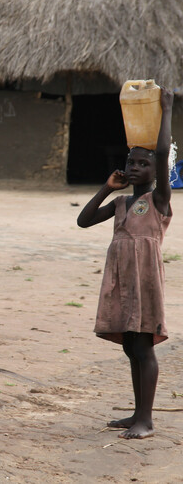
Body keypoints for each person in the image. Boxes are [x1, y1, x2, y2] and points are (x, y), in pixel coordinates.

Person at [77, 87, 174, 439]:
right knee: (132, 347)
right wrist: (107, 188)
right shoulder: (120, 204)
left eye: (142, 163)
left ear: (156, 170)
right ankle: (137, 412)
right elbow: (83, 220)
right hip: (122, 283)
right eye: (131, 162)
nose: (135, 168)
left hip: (145, 282)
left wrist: (167, 110)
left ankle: (146, 420)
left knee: (144, 346)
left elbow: (163, 153)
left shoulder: (159, 199)